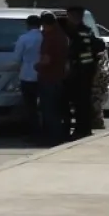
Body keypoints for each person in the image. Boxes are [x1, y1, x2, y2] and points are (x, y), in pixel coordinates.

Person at [63, 6, 103, 140]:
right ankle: (83, 129)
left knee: (80, 102)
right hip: (85, 71)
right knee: (82, 102)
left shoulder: (76, 32)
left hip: (78, 72)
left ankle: (81, 129)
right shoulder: (87, 30)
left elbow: (74, 50)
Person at [35, 12, 69, 146]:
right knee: (57, 108)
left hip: (48, 77)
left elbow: (46, 59)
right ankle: (58, 135)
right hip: (59, 76)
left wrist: (37, 66)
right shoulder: (62, 36)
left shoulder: (50, 38)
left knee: (49, 109)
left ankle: (52, 138)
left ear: (44, 24)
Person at [11, 15, 43, 137]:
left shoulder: (23, 38)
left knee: (30, 105)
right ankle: (44, 128)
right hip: (43, 75)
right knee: (44, 104)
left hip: (27, 75)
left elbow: (17, 58)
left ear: (28, 25)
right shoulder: (44, 37)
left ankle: (33, 131)